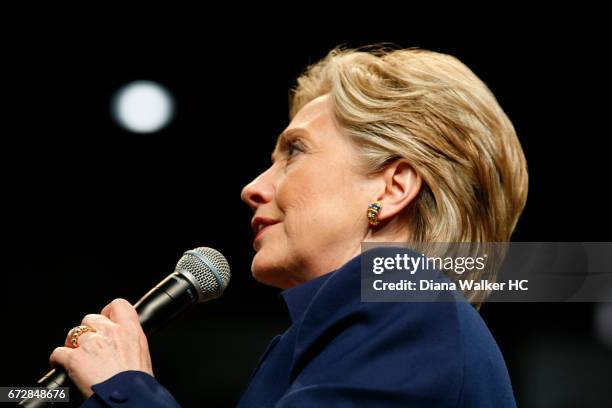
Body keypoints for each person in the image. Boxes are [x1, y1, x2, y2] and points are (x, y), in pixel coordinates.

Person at [49, 45, 528, 407]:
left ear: (391, 187)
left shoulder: (407, 308)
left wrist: (123, 387)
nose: (253, 187)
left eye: (294, 151)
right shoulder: (377, 327)